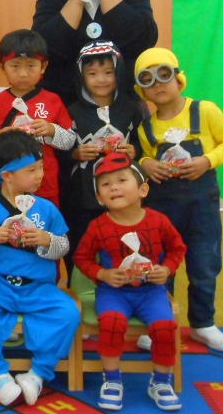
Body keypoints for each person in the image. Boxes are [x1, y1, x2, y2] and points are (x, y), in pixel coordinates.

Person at [134, 48, 223, 352]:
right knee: (159, 264)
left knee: (204, 263)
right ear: (142, 91)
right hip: (162, 204)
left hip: (201, 203)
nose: (158, 84)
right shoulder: (145, 127)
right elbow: (143, 156)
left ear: (178, 79)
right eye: (148, 79)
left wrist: (207, 161)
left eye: (164, 75)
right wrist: (146, 164)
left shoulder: (204, 110)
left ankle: (203, 323)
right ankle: (160, 323)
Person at [0, 130, 79, 407]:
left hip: (39, 287)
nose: (40, 175)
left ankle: (38, 374)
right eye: (32, 170)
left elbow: (64, 246)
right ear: (6, 175)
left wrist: (47, 241)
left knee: (68, 312)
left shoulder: (46, 208)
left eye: (41, 168)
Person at [73, 153, 186, 411]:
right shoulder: (98, 226)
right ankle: (112, 379)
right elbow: (81, 258)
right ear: (99, 198)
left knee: (166, 327)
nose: (114, 187)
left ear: (143, 189)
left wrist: (167, 270)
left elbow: (177, 249)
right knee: (112, 323)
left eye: (122, 180)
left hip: (152, 293)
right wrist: (103, 274)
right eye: (105, 184)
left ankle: (160, 382)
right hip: (113, 293)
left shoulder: (159, 221)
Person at [61, 40, 145, 279]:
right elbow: (60, 148)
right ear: (81, 77)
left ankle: (123, 281)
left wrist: (134, 151)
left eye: (109, 72)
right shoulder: (72, 111)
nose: (101, 79)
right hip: (83, 195)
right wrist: (75, 153)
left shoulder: (131, 109)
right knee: (81, 243)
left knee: (120, 241)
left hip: (123, 195)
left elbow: (143, 143)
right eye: (92, 74)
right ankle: (80, 286)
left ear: (120, 74)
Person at [0, 30, 75, 206]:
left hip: (44, 185)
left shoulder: (52, 100)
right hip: (6, 187)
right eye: (15, 66)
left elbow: (69, 141)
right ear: (2, 68)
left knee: (44, 221)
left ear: (43, 67)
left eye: (31, 66)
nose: (23, 74)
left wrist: (51, 130)